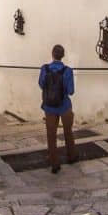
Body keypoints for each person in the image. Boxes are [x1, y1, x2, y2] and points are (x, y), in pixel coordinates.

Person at [38, 44, 78, 173]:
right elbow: (71, 91)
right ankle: (71, 156)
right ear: (63, 55)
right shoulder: (68, 71)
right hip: (64, 106)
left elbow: (41, 84)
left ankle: (54, 163)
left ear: (52, 54)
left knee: (51, 135)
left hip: (49, 107)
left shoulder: (45, 69)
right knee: (68, 132)